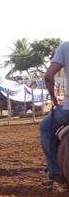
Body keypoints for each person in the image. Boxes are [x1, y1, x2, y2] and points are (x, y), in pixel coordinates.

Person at [40, 41, 69, 184]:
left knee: (45, 128)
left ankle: (54, 171)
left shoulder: (65, 47)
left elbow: (49, 76)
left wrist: (53, 97)